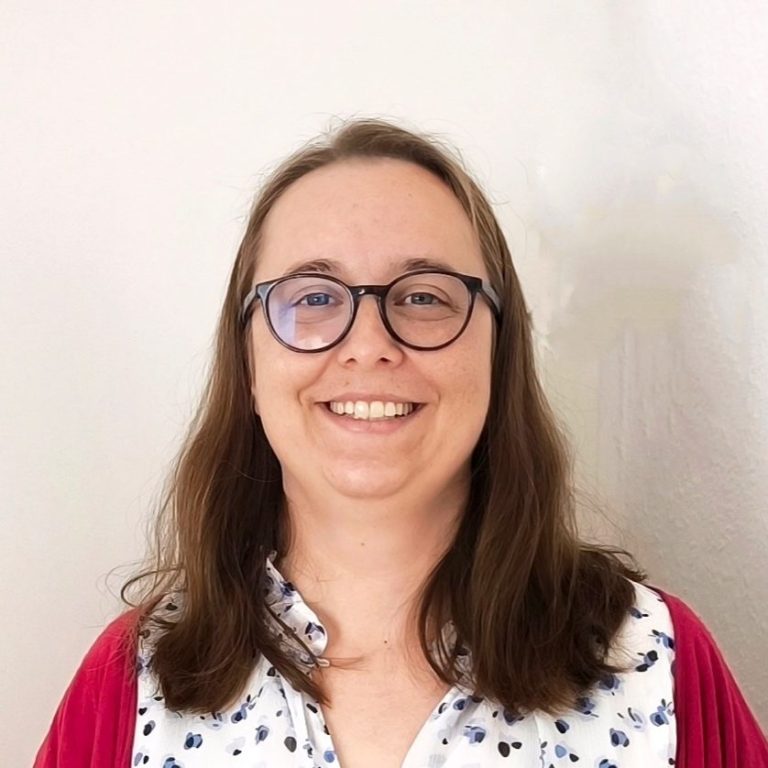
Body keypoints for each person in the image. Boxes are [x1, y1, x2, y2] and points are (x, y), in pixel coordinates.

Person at [35, 118, 767, 767]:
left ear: (498, 352)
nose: (368, 344)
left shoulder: (653, 662)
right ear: (249, 363)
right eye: (313, 297)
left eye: (423, 296)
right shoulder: (132, 681)